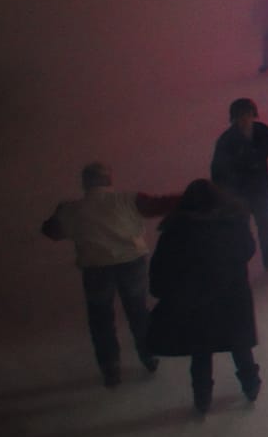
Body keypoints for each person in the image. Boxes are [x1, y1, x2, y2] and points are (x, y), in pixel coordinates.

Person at [40, 163, 175, 387]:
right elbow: (160, 205)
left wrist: (58, 215)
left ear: (85, 183)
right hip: (131, 262)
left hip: (96, 268)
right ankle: (149, 354)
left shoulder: (71, 209)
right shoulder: (127, 200)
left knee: (101, 319)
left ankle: (110, 367)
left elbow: (52, 231)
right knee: (138, 311)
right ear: (110, 180)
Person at [146, 180, 261, 415]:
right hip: (233, 299)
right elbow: (248, 250)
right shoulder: (233, 225)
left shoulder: (175, 232)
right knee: (239, 345)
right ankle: (251, 385)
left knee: (201, 352)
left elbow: (161, 269)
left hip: (196, 303)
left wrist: (162, 291)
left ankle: (202, 397)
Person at [210, 98, 268, 273]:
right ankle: (240, 260)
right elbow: (218, 168)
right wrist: (222, 192)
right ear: (234, 118)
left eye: (247, 114)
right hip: (238, 194)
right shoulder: (227, 141)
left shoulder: (262, 132)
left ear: (253, 115)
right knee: (241, 228)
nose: (244, 119)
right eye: (240, 116)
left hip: (260, 189)